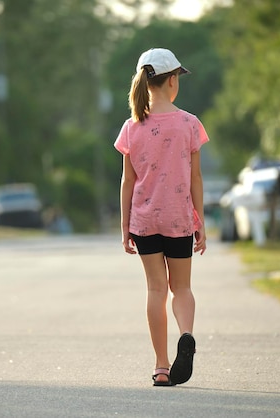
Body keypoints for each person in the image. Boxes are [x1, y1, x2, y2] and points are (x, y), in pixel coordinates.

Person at [114, 48, 209, 387]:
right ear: (172, 81)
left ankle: (161, 366)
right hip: (178, 219)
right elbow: (196, 178)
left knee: (156, 289)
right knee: (181, 287)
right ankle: (186, 334)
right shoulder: (189, 124)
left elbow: (128, 181)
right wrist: (200, 222)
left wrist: (125, 227)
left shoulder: (131, 127)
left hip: (144, 221)